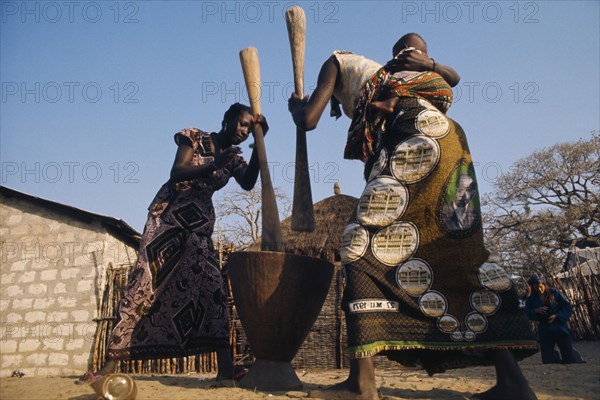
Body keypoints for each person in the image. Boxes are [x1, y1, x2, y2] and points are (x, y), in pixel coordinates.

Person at [289, 33, 538, 400]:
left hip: (415, 139)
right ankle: (514, 384)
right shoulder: (410, 82)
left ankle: (362, 384)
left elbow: (309, 119)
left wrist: (298, 106)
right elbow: (449, 81)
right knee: (461, 257)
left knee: (359, 248)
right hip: (451, 144)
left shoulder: (339, 60)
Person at [77, 102, 268, 384]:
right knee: (145, 283)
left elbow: (249, 181)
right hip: (167, 219)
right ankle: (108, 367)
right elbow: (176, 172)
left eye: (249, 129)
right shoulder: (195, 137)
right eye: (241, 124)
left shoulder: (235, 159)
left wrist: (262, 142)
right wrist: (214, 164)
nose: (244, 132)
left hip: (199, 227)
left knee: (212, 290)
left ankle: (226, 368)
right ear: (226, 121)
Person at [525, 275, 585, 364]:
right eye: (536, 287)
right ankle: (555, 354)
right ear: (533, 287)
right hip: (545, 329)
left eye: (541, 287)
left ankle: (574, 354)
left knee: (569, 360)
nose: (539, 289)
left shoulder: (554, 293)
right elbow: (527, 313)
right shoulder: (531, 299)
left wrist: (557, 315)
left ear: (544, 285)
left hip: (559, 327)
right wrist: (535, 311)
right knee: (548, 361)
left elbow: (568, 307)